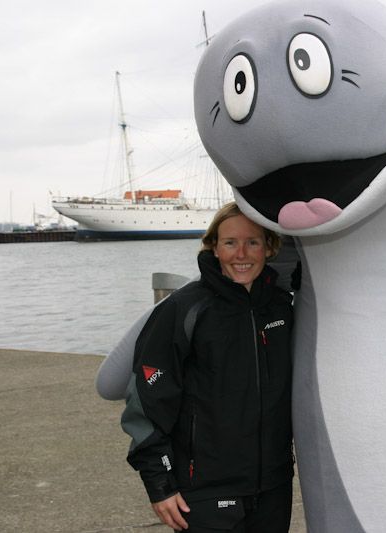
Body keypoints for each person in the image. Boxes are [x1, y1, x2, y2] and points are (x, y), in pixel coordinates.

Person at [121, 202, 294, 532]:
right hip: (205, 494)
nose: (241, 253)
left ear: (269, 247)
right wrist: (160, 484)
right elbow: (146, 404)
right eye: (230, 242)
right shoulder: (185, 310)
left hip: (273, 487)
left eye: (253, 242)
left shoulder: (281, 310)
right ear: (214, 247)